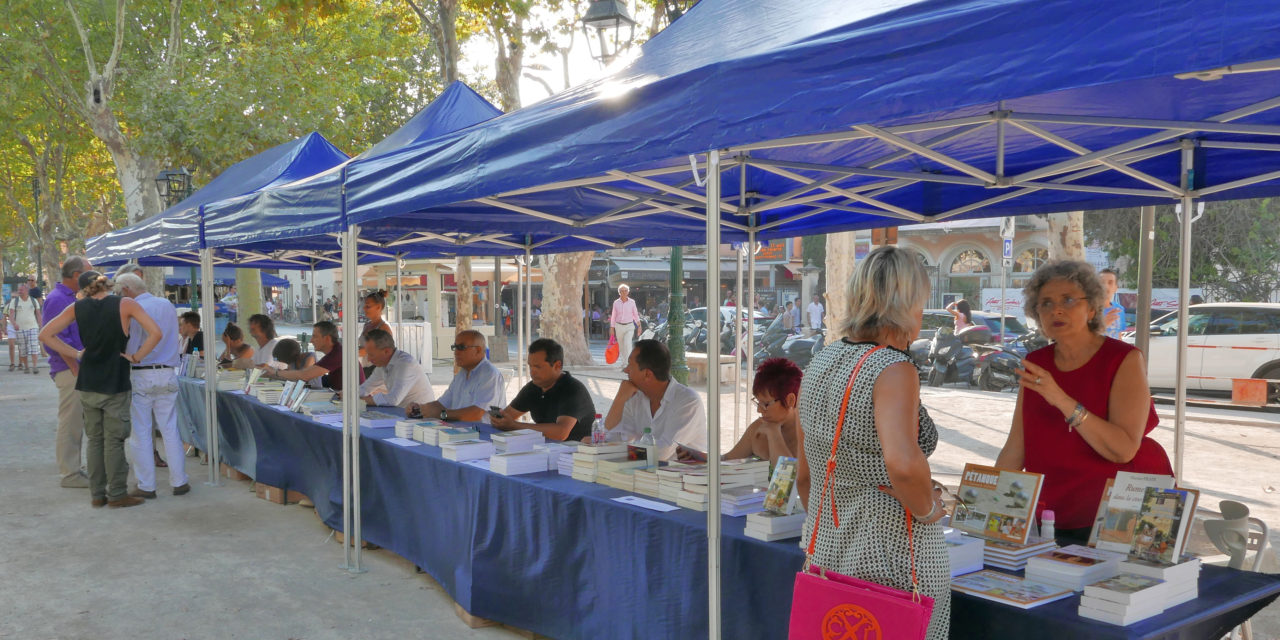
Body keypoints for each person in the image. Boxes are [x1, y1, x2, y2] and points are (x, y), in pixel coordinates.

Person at [794, 246, 950, 640]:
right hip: (896, 555)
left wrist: (831, 526)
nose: (921, 314)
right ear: (906, 302)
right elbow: (903, 465)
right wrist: (931, 511)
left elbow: (805, 477)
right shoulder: (893, 368)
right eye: (921, 303)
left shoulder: (821, 362)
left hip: (828, 550)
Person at [995, 260, 1172, 544]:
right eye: (1046, 303)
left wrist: (1062, 400)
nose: (1057, 310)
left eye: (1068, 300)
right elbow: (1016, 447)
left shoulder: (1123, 359)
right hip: (1050, 513)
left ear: (1091, 308)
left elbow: (1123, 449)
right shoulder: (1036, 363)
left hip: (1116, 516)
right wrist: (985, 505)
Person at [40, 271, 162, 509]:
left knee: (95, 440)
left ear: (85, 288)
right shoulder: (124, 304)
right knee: (114, 440)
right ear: (108, 284)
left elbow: (45, 334)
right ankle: (117, 494)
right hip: (115, 380)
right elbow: (156, 332)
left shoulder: (77, 307)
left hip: (87, 382)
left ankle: (97, 494)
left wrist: (76, 353)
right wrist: (136, 356)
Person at [116, 273, 189, 499]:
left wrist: (135, 356)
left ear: (126, 289)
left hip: (142, 371)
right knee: (170, 428)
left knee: (141, 432)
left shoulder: (131, 307)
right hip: (167, 372)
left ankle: (147, 485)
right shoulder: (166, 303)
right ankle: (179, 481)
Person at [602, 339, 707, 461]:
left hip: (684, 476)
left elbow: (661, 453)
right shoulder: (635, 397)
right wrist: (620, 399)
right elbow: (613, 439)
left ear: (647, 374)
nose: (625, 370)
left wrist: (622, 452)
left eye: (630, 365)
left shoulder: (687, 401)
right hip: (645, 471)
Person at [42, 255, 92, 488]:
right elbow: (55, 340)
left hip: (75, 369)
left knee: (76, 422)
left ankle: (74, 469)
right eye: (89, 272)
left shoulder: (68, 297)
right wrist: (75, 369)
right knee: (70, 423)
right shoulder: (58, 299)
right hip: (70, 370)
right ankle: (69, 474)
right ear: (76, 276)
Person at [493, 338, 596, 441]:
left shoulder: (573, 389)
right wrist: (499, 419)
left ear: (557, 365)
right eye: (530, 366)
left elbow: (561, 433)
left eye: (538, 367)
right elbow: (508, 416)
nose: (532, 372)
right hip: (544, 449)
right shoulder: (533, 388)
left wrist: (514, 425)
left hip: (576, 453)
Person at [409, 330, 506, 423]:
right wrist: (419, 408)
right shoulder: (462, 374)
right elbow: (441, 404)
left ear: (478, 350)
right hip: (459, 431)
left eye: (461, 347)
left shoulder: (489, 375)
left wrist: (443, 414)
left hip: (482, 435)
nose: (456, 352)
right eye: (455, 347)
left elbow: (477, 414)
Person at [721, 358, 803, 465]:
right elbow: (728, 459)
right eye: (758, 402)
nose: (759, 410)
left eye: (766, 404)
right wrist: (696, 456)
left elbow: (787, 476)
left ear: (790, 400)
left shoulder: (808, 435)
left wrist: (774, 434)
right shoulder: (758, 428)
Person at [263, 321, 359, 391]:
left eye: (315, 336)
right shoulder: (334, 353)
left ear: (327, 338)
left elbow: (304, 375)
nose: (311, 341)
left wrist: (275, 372)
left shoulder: (338, 354)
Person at [358, 329, 433, 412]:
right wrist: (347, 395)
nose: (368, 359)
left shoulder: (406, 364)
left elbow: (393, 399)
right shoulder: (382, 364)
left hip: (421, 417)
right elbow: (366, 387)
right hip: (403, 413)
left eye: (371, 355)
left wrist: (361, 400)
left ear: (386, 351)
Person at [6, 283, 43, 373]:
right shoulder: (14, 302)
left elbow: (38, 314)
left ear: (27, 291)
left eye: (21, 290)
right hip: (20, 329)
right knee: (23, 349)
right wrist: (14, 324)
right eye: (18, 290)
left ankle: (35, 366)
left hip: (33, 327)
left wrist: (41, 326)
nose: (19, 291)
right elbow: (11, 315)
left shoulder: (34, 301)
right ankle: (26, 367)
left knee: (34, 347)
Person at [359, 290, 392, 377]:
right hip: (366, 368)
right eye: (364, 305)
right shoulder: (367, 325)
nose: (364, 308)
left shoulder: (384, 327)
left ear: (378, 307)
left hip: (378, 371)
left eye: (368, 306)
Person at [610, 284, 640, 368]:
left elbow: (635, 314)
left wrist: (639, 326)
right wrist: (612, 328)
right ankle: (624, 363)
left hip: (629, 326)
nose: (624, 292)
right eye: (622, 291)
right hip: (619, 326)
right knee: (621, 345)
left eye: (625, 290)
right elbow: (613, 316)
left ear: (628, 292)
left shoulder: (632, 302)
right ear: (619, 292)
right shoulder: (616, 303)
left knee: (627, 344)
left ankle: (628, 363)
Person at [1098, 268, 1126, 339]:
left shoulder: (1119, 309)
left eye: (1110, 282)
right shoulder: (1089, 309)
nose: (1106, 286)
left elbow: (1119, 336)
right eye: (1102, 282)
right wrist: (1102, 326)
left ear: (1116, 288)